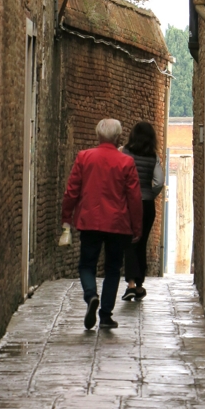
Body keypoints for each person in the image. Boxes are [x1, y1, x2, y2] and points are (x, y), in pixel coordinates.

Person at [61, 118, 142, 330]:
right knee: (113, 268)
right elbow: (134, 198)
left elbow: (72, 191)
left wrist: (66, 216)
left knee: (86, 265)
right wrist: (137, 226)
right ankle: (105, 315)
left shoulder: (84, 157)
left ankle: (91, 296)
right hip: (118, 223)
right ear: (118, 137)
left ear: (98, 135)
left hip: (89, 221)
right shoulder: (126, 162)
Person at [120, 121, 164, 301]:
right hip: (146, 204)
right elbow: (159, 181)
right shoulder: (154, 157)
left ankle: (131, 283)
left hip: (128, 204)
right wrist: (150, 194)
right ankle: (139, 284)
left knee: (129, 241)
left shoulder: (123, 152)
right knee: (142, 241)